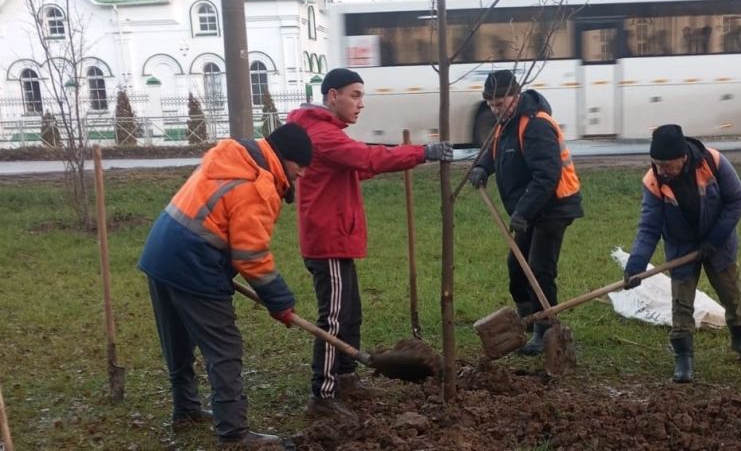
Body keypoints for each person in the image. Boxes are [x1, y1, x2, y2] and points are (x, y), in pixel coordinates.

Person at [287, 67, 453, 420]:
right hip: (326, 241)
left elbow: (360, 167)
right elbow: (365, 158)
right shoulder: (321, 133)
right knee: (333, 319)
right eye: (355, 95)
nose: (361, 104)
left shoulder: (327, 132)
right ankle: (323, 395)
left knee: (350, 313)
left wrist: (398, 159)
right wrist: (422, 153)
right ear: (333, 96)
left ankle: (345, 376)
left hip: (338, 238)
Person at [138, 123, 313, 449]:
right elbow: (251, 254)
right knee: (225, 350)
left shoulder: (233, 156)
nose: (302, 173)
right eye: (300, 165)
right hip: (192, 263)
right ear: (284, 158)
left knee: (177, 339)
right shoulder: (257, 185)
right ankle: (234, 433)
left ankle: (186, 409)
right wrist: (280, 301)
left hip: (160, 251)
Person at [623, 124, 741, 383]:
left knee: (731, 293)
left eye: (667, 165)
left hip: (718, 241)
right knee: (681, 303)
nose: (661, 171)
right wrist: (636, 264)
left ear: (683, 157)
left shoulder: (713, 162)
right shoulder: (653, 181)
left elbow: (736, 200)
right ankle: (683, 357)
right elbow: (649, 227)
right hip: (681, 245)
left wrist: (714, 239)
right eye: (656, 164)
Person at [468, 69, 583, 355]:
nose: (495, 109)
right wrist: (483, 166)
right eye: (491, 105)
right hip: (530, 208)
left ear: (515, 95)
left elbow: (546, 175)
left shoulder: (535, 125)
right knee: (516, 266)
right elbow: (496, 151)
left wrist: (522, 212)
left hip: (554, 206)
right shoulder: (506, 124)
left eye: (500, 102)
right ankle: (527, 317)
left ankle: (545, 330)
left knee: (539, 270)